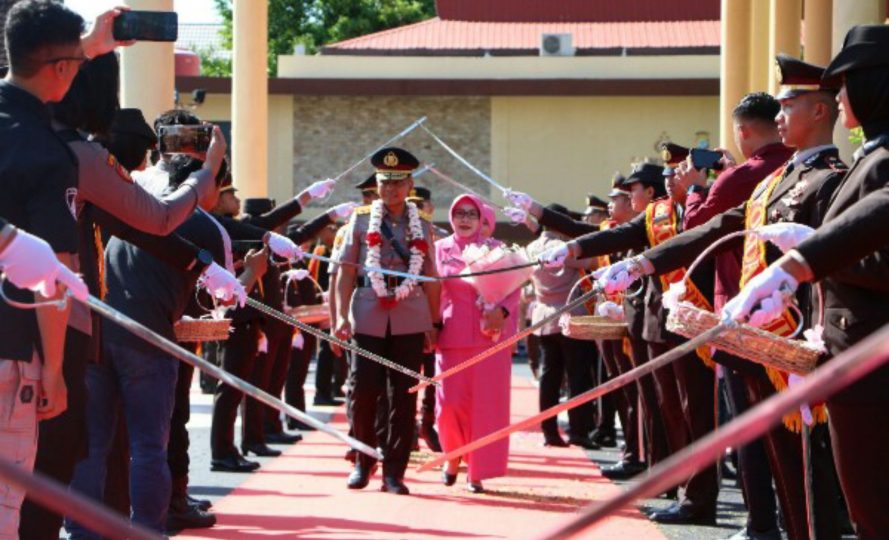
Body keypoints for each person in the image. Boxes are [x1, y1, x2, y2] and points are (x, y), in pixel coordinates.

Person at [611, 55, 848, 540]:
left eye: (789, 105)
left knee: (812, 473)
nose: (779, 116)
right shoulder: (776, 179)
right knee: (784, 469)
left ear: (820, 112)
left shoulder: (833, 176)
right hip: (764, 339)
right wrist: (642, 263)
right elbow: (719, 227)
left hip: (801, 342)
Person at [723, 25, 889, 539]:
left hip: (870, 365)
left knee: (871, 511)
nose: (839, 98)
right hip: (847, 357)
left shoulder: (878, 162)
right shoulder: (872, 157)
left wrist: (805, 260)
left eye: (845, 85)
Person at [510, 162, 720, 524]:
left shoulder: (702, 206)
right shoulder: (657, 214)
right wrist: (572, 248)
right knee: (668, 408)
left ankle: (698, 497)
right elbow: (613, 237)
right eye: (668, 174)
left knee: (695, 411)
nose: (673, 178)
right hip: (655, 324)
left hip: (693, 321)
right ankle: (680, 487)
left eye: (676, 173)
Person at [66, 155, 246, 538]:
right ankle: (147, 530)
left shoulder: (132, 208)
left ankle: (81, 532)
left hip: (98, 333)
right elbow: (210, 303)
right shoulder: (202, 223)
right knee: (149, 447)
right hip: (148, 340)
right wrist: (252, 273)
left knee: (92, 446)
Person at [0, 1, 124, 534]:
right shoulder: (45, 152)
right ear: (59, 69)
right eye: (75, 63)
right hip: (12, 353)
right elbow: (50, 274)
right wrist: (53, 369)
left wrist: (85, 48)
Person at [335, 147, 441, 495]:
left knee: (403, 397)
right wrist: (339, 318)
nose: (391, 190)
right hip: (368, 312)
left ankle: (394, 472)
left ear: (409, 184)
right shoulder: (361, 219)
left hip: (410, 315)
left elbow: (430, 276)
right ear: (377, 184)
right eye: (384, 183)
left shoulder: (421, 224)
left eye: (398, 183)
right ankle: (363, 460)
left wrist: (433, 322)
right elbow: (344, 274)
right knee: (364, 390)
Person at [434, 194, 519, 492]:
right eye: (459, 213)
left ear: (483, 218)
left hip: (490, 337)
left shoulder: (497, 250)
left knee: (485, 406)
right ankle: (452, 456)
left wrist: (502, 311)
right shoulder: (439, 250)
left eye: (472, 213)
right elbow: (433, 293)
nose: (465, 218)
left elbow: (514, 288)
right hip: (452, 335)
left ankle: (477, 470)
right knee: (450, 405)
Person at [525, 203, 598, 449]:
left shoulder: (532, 247)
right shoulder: (563, 248)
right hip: (570, 316)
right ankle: (579, 430)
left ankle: (549, 431)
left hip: (544, 317)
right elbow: (593, 261)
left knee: (549, 377)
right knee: (578, 377)